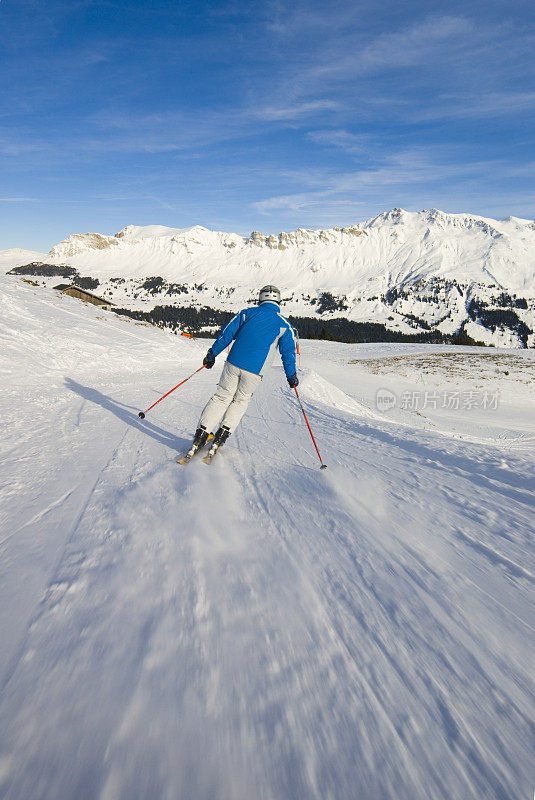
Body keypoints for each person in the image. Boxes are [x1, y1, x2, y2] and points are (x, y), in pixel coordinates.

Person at [187, 285, 298, 459]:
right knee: (240, 401)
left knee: (221, 397)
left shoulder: (247, 313)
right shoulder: (285, 325)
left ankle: (201, 436)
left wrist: (212, 354)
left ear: (260, 299)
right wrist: (291, 375)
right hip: (255, 371)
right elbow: (288, 353)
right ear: (278, 302)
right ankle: (220, 438)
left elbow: (226, 334)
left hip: (233, 363)